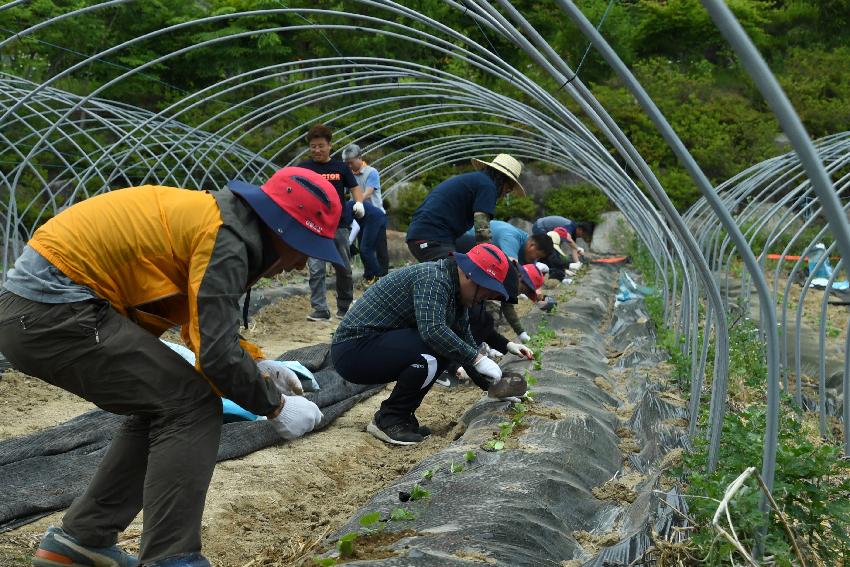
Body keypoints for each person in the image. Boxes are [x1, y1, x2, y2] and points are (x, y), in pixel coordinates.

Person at [0, 167, 340, 567]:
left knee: (166, 401)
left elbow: (202, 326)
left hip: (42, 311)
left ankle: (82, 541)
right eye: (305, 246)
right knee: (192, 403)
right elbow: (215, 355)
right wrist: (275, 406)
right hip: (53, 311)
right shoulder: (227, 239)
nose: (301, 265)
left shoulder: (221, 222)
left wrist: (256, 361)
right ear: (281, 230)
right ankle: (171, 558)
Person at [331, 243, 512, 445]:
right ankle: (390, 419)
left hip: (373, 346)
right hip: (353, 350)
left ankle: (403, 417)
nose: (484, 299)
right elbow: (433, 331)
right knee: (433, 348)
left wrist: (493, 386)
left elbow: (464, 339)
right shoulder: (433, 278)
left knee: (445, 347)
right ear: (469, 275)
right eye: (485, 292)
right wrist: (477, 358)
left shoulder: (455, 292)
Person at [299, 124, 366, 321]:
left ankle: (344, 307)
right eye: (313, 146)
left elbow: (354, 188)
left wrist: (359, 203)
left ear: (330, 146)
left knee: (343, 267)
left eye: (321, 146)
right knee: (316, 269)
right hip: (314, 225)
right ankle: (320, 309)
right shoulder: (304, 168)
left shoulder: (340, 168)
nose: (317, 150)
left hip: (338, 224)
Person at [438, 262, 541, 387]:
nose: (519, 294)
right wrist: (459, 365)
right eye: (523, 289)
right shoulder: (449, 290)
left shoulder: (477, 298)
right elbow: (439, 332)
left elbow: (482, 328)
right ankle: (443, 370)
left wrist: (508, 345)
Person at [406, 154, 524, 262]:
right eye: (508, 190)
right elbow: (481, 227)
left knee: (463, 261)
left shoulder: (476, 180)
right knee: (454, 275)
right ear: (503, 181)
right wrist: (489, 257)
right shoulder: (488, 186)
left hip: (421, 233)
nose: (504, 195)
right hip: (432, 238)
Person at [342, 144, 389, 279]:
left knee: (380, 248)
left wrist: (355, 201)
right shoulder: (348, 174)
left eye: (350, 163)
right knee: (364, 247)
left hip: (375, 215)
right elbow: (343, 190)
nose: (349, 166)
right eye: (346, 164)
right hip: (359, 216)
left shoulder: (371, 172)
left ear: (359, 158)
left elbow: (368, 193)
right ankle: (369, 275)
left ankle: (383, 276)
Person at [532, 216, 594, 280]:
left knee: (553, 253)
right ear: (580, 229)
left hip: (545, 229)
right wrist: (578, 248)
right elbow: (569, 241)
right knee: (546, 250)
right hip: (540, 226)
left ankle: (552, 270)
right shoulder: (570, 226)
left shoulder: (572, 233)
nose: (581, 236)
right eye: (583, 234)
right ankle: (536, 268)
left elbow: (573, 248)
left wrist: (578, 264)